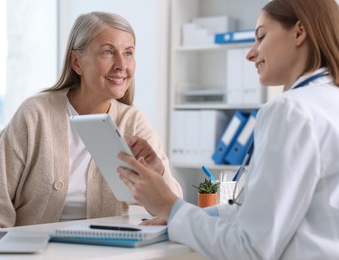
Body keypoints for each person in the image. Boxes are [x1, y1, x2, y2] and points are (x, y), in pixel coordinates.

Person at [117, 0, 339, 258]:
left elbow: (249, 248)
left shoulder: (291, 111)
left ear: (299, 32)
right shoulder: (328, 101)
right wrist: (176, 212)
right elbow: (267, 212)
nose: (250, 53)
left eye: (261, 36)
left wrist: (171, 206)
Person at [0, 11, 182, 229]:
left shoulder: (133, 122)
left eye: (128, 53)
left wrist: (157, 171)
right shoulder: (35, 114)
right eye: (107, 51)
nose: (121, 65)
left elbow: (172, 209)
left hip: (103, 250)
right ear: (76, 62)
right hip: (34, 250)